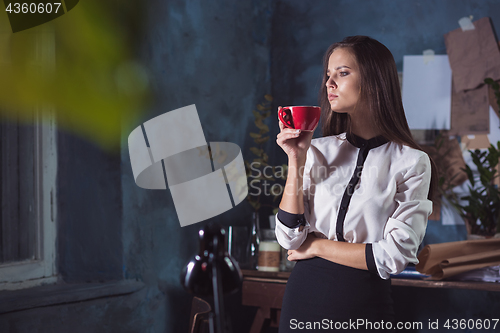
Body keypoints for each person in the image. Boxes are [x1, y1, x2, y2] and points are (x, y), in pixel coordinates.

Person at [275, 35, 437, 332]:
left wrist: (318, 246)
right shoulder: (317, 150)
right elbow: (288, 238)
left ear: (375, 80)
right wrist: (295, 159)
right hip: (303, 300)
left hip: (364, 306)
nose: (329, 84)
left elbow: (395, 255)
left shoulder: (412, 162)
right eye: (328, 75)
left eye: (343, 73)